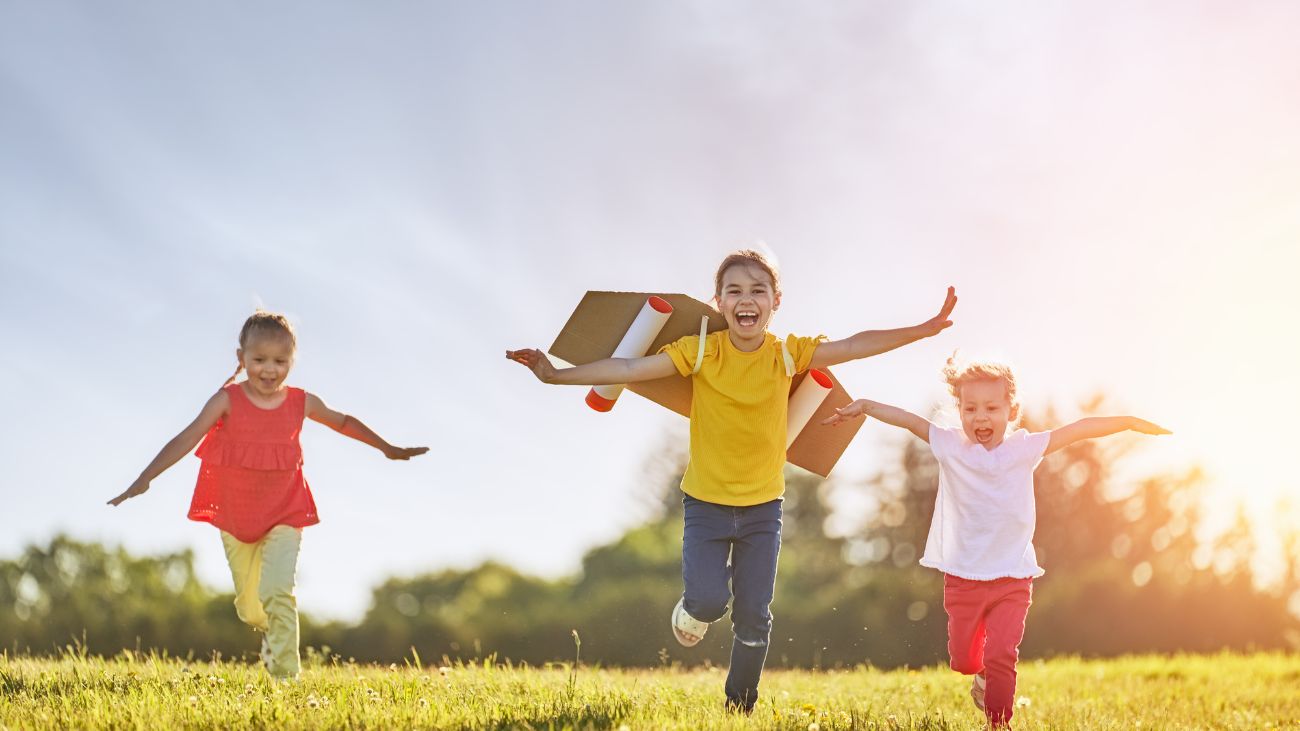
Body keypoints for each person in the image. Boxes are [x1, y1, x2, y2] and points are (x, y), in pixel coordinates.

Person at [509, 250, 956, 712]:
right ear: (718, 301)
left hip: (765, 510)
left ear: (775, 301)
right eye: (735, 291)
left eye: (758, 290)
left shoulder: (787, 354)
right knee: (707, 602)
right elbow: (627, 369)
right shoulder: (701, 351)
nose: (747, 299)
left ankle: (738, 708)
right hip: (706, 504)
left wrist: (921, 330)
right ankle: (693, 608)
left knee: (754, 617)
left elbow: (852, 345)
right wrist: (555, 375)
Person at [823, 356, 1169, 727]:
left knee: (1003, 653)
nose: (981, 417)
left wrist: (1129, 423)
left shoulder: (1024, 449)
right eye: (970, 408)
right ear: (959, 410)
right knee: (964, 660)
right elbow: (909, 420)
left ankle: (998, 722)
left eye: (991, 408)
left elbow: (1080, 428)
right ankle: (980, 674)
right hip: (964, 576)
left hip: (1012, 575)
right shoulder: (949, 445)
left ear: (1011, 410)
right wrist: (864, 406)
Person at [108, 311, 427, 679]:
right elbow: (186, 438)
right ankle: (272, 634)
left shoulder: (301, 402)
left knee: (278, 591)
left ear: (292, 361)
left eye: (280, 361)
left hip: (286, 511)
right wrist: (144, 479)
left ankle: (286, 678)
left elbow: (342, 421)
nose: (269, 370)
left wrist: (386, 447)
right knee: (250, 608)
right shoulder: (226, 400)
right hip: (235, 516)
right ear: (241, 358)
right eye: (259, 360)